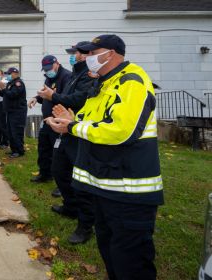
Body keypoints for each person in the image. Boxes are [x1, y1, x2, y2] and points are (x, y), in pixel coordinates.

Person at [46, 34, 163, 279]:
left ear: (110, 53)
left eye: (91, 53)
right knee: (112, 256)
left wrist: (72, 127)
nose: (86, 57)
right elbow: (92, 123)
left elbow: (122, 130)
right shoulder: (103, 84)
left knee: (130, 263)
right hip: (105, 188)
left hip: (129, 192)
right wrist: (70, 121)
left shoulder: (131, 80)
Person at [38, 41, 96, 244]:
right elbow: (69, 98)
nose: (73, 56)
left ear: (87, 55)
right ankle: (70, 207)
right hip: (66, 128)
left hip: (80, 131)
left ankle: (85, 225)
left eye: (76, 53)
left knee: (79, 180)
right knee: (59, 169)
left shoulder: (89, 76)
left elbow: (79, 99)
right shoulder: (76, 74)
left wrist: (52, 96)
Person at [29, 55, 71, 186]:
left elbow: (65, 98)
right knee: (44, 148)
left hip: (59, 121)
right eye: (45, 69)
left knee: (58, 153)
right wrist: (37, 98)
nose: (48, 71)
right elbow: (46, 94)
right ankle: (44, 174)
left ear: (57, 63)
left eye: (49, 68)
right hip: (47, 121)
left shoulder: (66, 77)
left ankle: (62, 183)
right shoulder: (49, 78)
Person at [0, 67, 27, 158]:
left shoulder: (18, 83)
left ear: (15, 73)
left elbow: (13, 94)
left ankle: (19, 151)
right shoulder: (10, 83)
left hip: (18, 111)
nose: (8, 75)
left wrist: (5, 89)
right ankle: (13, 149)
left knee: (16, 131)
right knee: (11, 131)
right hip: (10, 111)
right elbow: (5, 93)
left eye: (9, 73)